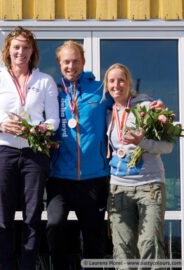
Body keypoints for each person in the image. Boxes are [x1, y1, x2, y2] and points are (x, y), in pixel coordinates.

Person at [46, 41, 165, 270]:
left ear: (83, 62)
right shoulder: (52, 91)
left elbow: (125, 97)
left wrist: (149, 103)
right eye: (66, 62)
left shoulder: (99, 90)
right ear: (60, 64)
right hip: (60, 178)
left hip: (94, 179)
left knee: (94, 240)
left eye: (76, 61)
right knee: (55, 226)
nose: (71, 66)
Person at [0, 26, 59, 270]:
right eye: (16, 47)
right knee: (4, 219)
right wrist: (2, 125)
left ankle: (28, 266)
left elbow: (54, 120)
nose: (20, 52)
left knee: (32, 217)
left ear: (32, 50)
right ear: (8, 50)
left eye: (26, 47)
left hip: (34, 154)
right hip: (3, 152)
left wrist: (39, 129)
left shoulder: (44, 81)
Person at [104, 63, 171, 264]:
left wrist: (142, 142)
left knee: (149, 244)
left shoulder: (145, 108)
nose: (117, 85)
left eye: (121, 80)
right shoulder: (106, 114)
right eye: (112, 81)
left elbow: (167, 147)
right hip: (118, 188)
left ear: (129, 83)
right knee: (122, 249)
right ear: (107, 85)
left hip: (149, 186)